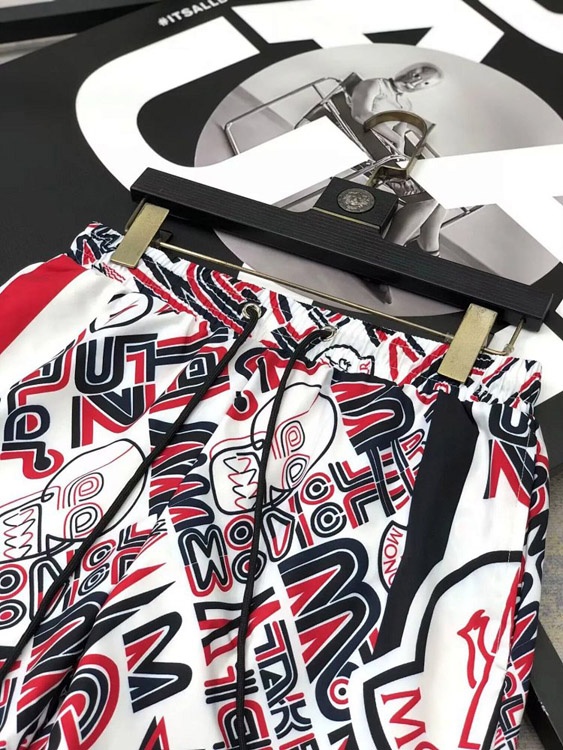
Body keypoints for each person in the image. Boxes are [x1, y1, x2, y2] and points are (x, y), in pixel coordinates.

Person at [349, 63, 448, 258]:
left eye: (425, 82)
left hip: (387, 154)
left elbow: (399, 134)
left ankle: (426, 247)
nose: (416, 81)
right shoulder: (374, 84)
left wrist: (403, 162)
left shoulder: (406, 105)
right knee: (426, 199)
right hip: (364, 147)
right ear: (408, 69)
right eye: (417, 73)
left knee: (442, 192)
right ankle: (386, 254)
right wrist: (396, 142)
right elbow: (360, 114)